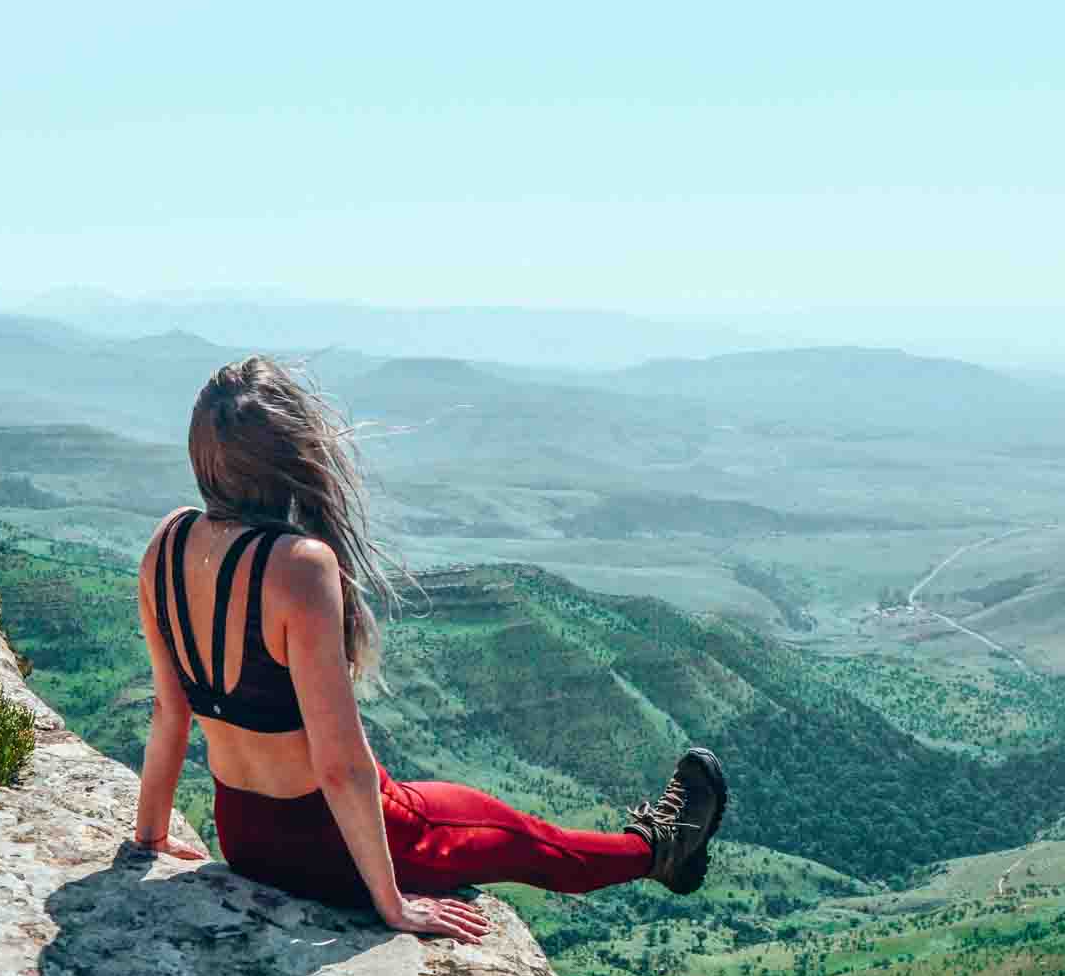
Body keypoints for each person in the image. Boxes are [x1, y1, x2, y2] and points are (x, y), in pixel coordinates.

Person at [129, 356, 728, 944]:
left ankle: (656, 848)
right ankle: (659, 850)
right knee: (528, 841)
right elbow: (340, 768)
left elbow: (170, 714)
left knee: (468, 811)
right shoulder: (297, 567)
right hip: (329, 844)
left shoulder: (168, 540)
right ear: (291, 452)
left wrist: (150, 838)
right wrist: (392, 905)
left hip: (243, 834)